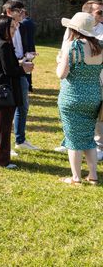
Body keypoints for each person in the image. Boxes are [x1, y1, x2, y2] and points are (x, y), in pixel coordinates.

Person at [0, 15, 33, 168]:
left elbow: (1, 65)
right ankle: (0, 159)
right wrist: (24, 68)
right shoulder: (3, 44)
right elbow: (9, 70)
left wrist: (18, 63)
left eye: (15, 27)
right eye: (11, 27)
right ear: (2, 27)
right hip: (3, 92)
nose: (14, 30)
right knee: (3, 128)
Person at [56, 12, 103, 185]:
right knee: (89, 137)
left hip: (72, 97)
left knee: (73, 139)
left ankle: (75, 178)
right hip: (93, 95)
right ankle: (93, 175)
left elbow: (62, 74)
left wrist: (60, 61)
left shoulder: (72, 46)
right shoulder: (100, 46)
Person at [2, 0, 39, 152]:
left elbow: (25, 46)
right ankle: (6, 144)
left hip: (21, 71)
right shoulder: (2, 27)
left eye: (23, 11)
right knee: (8, 108)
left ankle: (20, 139)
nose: (23, 14)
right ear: (10, 12)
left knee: (23, 106)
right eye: (20, 11)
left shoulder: (23, 27)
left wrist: (28, 55)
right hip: (8, 71)